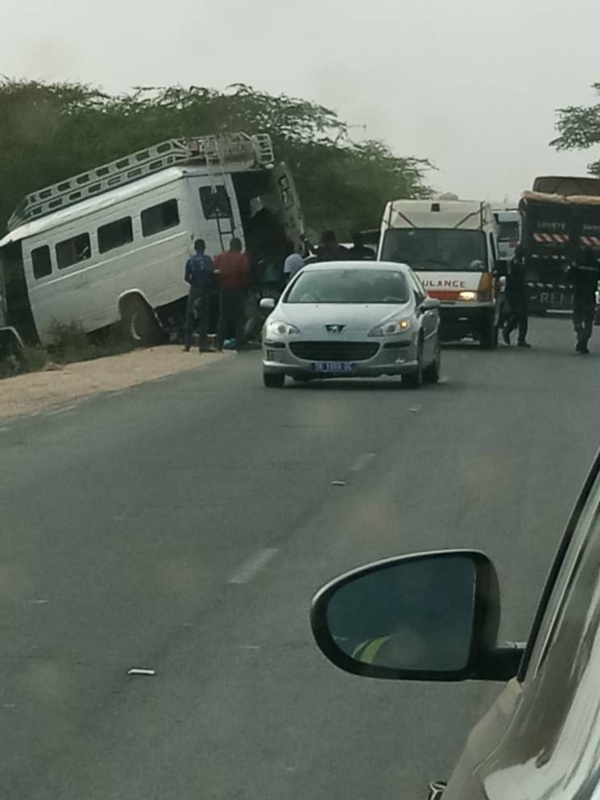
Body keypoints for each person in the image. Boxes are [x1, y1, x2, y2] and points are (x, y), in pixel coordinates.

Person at [214, 237, 251, 352]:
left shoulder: (220, 257)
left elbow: (213, 270)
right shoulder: (242, 258)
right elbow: (245, 274)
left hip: (224, 291)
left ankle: (218, 345)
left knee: (223, 318)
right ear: (239, 247)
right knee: (239, 318)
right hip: (237, 291)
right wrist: (246, 290)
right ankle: (239, 345)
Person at [183, 239, 215, 352]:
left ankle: (187, 345)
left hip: (194, 292)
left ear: (195, 248)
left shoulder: (190, 261)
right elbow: (212, 275)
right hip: (204, 292)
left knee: (190, 318)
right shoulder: (208, 260)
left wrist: (194, 285)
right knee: (203, 319)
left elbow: (186, 278)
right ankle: (202, 345)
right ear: (204, 247)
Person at [567, 247, 600, 354]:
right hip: (590, 296)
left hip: (578, 294)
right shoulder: (597, 265)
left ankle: (580, 334)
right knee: (589, 319)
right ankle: (584, 340)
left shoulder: (578, 263)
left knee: (577, 316)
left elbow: (568, 275)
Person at [502, 246, 530, 348]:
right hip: (514, 293)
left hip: (520, 293)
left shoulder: (518, 262)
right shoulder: (514, 263)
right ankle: (508, 331)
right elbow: (516, 274)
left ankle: (520, 339)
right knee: (520, 315)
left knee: (521, 317)